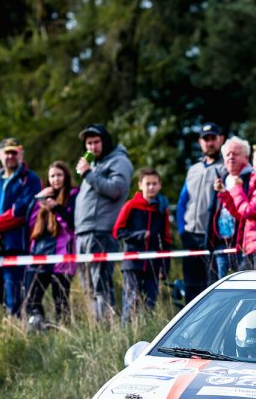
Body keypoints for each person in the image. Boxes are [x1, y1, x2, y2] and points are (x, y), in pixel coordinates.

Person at [0, 137, 43, 316]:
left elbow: (21, 210)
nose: (10, 156)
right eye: (7, 152)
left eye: (14, 152)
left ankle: (16, 334)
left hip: (15, 246)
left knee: (15, 298)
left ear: (21, 154)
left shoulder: (29, 179)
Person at [74, 123, 133, 319]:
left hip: (101, 231)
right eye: (89, 143)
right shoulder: (94, 165)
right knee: (88, 286)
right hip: (84, 231)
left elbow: (116, 189)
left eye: (96, 142)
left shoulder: (119, 161)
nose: (92, 147)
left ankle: (106, 327)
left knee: (101, 285)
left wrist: (88, 174)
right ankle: (95, 328)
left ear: (105, 141)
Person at [113, 167, 172, 320]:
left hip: (153, 265)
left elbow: (166, 239)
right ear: (140, 185)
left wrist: (165, 267)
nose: (151, 187)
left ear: (159, 185)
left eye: (154, 184)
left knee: (150, 305)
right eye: (148, 184)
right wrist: (139, 235)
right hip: (132, 264)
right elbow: (117, 232)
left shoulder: (162, 209)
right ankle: (127, 336)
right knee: (131, 303)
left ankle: (146, 338)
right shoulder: (130, 206)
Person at [175, 122, 225, 301]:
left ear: (221, 140)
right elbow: (182, 202)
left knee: (211, 286)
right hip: (190, 236)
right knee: (191, 285)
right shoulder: (193, 169)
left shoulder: (226, 167)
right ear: (200, 142)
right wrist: (182, 230)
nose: (209, 143)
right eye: (206, 139)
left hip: (212, 238)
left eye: (213, 138)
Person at [25, 161, 78, 328]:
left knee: (60, 300)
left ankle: (64, 333)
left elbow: (72, 224)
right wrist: (39, 198)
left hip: (61, 258)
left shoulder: (73, 195)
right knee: (32, 298)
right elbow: (29, 220)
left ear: (66, 176)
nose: (56, 179)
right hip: (41, 256)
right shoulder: (43, 198)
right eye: (52, 176)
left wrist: (56, 208)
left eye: (59, 175)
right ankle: (41, 328)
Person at [213, 137, 253, 278]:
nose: (231, 157)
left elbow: (245, 212)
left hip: (244, 243)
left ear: (246, 157)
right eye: (228, 154)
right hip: (221, 242)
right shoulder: (221, 178)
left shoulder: (252, 178)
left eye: (235, 154)